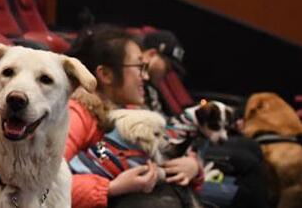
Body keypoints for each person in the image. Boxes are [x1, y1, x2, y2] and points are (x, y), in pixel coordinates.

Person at [65, 25, 203, 208]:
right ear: (105, 74)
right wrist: (110, 188)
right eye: (139, 67)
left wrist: (193, 167)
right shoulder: (75, 115)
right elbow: (41, 186)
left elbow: (169, 146)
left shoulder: (130, 110)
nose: (145, 77)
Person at [141, 29, 270, 208]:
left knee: (251, 151)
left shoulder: (153, 88)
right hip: (168, 162)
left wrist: (194, 163)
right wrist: (194, 164)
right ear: (150, 55)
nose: (169, 73)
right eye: (167, 65)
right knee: (246, 181)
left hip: (184, 151)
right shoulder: (138, 91)